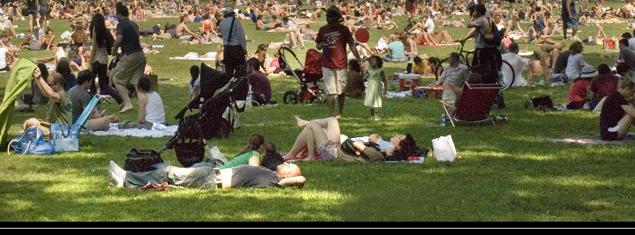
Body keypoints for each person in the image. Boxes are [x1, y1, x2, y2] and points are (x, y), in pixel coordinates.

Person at [281, 115, 423, 162]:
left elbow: (367, 151)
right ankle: (302, 153)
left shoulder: (380, 155)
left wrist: (359, 144)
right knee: (331, 120)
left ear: (397, 149)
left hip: (333, 152)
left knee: (311, 125)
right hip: (336, 148)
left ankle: (305, 154)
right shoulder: (382, 150)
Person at [109, 158, 305, 190]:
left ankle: (127, 178)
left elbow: (301, 179)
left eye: (289, 167)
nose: (285, 164)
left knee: (168, 172)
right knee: (169, 171)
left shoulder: (274, 180)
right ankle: (129, 180)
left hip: (213, 179)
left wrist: (293, 178)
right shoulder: (270, 173)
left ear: (287, 177)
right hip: (212, 173)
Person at [315, 6, 362, 117]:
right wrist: (320, 45)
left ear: (336, 18)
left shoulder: (344, 30)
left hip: (341, 64)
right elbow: (317, 45)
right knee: (330, 92)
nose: (328, 19)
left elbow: (352, 45)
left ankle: (340, 112)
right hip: (327, 64)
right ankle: (331, 115)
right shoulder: (322, 29)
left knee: (341, 91)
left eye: (330, 17)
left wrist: (359, 59)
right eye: (327, 16)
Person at [111, 2, 147, 114]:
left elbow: (119, 40)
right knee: (137, 83)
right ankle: (145, 106)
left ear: (120, 14)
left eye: (116, 14)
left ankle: (127, 104)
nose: (116, 17)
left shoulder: (121, 24)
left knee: (117, 79)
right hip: (141, 55)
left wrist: (113, 50)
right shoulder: (134, 24)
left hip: (131, 55)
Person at [598, 76, 635, 141]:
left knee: (632, 115)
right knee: (631, 115)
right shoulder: (618, 97)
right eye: (632, 91)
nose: (632, 94)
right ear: (627, 88)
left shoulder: (616, 96)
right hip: (609, 132)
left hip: (609, 131)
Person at [461, 3, 500, 83]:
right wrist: (465, 38)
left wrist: (472, 17)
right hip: (482, 46)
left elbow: (468, 25)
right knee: (477, 66)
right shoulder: (483, 19)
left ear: (477, 12)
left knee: (478, 67)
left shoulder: (481, 20)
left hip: (481, 47)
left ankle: (479, 82)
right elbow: (476, 31)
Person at [219, 7, 248, 78]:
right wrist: (244, 48)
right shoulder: (236, 21)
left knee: (228, 71)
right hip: (236, 48)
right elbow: (241, 36)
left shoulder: (221, 23)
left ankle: (228, 86)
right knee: (240, 70)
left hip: (227, 49)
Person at [363, 55, 386, 119]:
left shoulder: (380, 70)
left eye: (373, 60)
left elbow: (384, 79)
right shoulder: (369, 69)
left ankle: (376, 114)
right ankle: (372, 115)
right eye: (370, 61)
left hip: (377, 87)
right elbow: (364, 74)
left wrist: (385, 89)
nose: (371, 62)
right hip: (370, 88)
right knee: (370, 100)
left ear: (378, 62)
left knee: (376, 100)